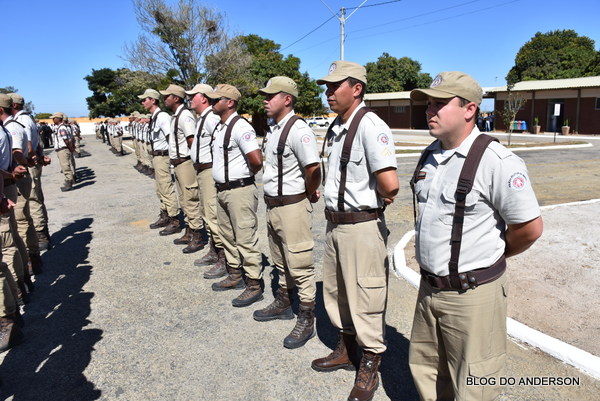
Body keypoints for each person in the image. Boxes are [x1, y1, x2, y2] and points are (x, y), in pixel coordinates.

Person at [408, 71, 543, 401]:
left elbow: (529, 229)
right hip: (429, 289)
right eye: (428, 104)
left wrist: (491, 257)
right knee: (426, 371)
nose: (430, 111)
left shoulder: (498, 162)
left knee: (474, 385)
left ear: (469, 109)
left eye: (440, 104)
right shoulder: (432, 155)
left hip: (472, 295)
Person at [311, 61, 399, 401]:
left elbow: (390, 185)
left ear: (357, 88)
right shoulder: (338, 126)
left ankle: (370, 362)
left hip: (361, 226)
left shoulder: (369, 125)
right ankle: (347, 348)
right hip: (336, 224)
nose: (328, 93)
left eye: (335, 87)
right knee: (337, 292)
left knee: (366, 297)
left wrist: (371, 206)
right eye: (327, 87)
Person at [252, 76, 321, 349]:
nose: (265, 100)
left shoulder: (298, 129)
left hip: (292, 206)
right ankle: (283, 301)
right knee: (280, 259)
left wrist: (308, 191)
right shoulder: (274, 128)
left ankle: (307, 316)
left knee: (301, 264)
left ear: (287, 99)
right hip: (273, 205)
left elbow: (313, 168)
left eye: (271, 96)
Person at [205, 84, 264, 308]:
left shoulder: (240, 126)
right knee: (227, 235)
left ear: (230, 102)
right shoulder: (221, 127)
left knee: (245, 239)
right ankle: (235, 273)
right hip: (223, 189)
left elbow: (256, 160)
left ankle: (254, 284)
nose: (212, 102)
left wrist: (242, 177)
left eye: (216, 99)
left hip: (239, 190)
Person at [184, 84, 227, 276]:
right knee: (206, 213)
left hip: (209, 171)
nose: (190, 98)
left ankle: (224, 259)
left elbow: (221, 146)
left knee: (212, 214)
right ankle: (214, 250)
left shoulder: (211, 118)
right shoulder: (202, 118)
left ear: (204, 98)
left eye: (193, 95)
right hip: (202, 171)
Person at [158, 84, 203, 253]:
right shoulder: (176, 115)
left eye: (167, 96)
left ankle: (197, 235)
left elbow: (192, 141)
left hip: (185, 162)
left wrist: (194, 163)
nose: (164, 99)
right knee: (184, 199)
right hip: (178, 163)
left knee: (191, 199)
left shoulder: (185, 116)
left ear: (176, 98)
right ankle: (189, 230)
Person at [138, 89, 179, 231]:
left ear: (153, 100)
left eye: (145, 99)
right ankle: (165, 213)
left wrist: (173, 157)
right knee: (160, 188)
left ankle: (174, 219)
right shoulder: (155, 117)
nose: (142, 102)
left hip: (163, 156)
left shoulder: (162, 117)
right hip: (156, 156)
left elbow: (171, 138)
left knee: (166, 187)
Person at [50, 112, 76, 191]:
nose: (53, 120)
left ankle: (69, 183)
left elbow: (66, 140)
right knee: (65, 166)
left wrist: (70, 148)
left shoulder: (61, 128)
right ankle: (69, 181)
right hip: (61, 149)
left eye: (54, 118)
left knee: (66, 167)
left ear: (58, 119)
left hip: (63, 149)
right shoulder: (60, 127)